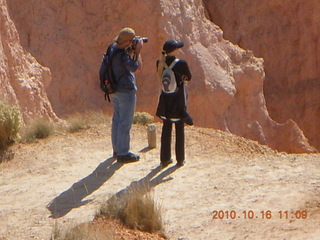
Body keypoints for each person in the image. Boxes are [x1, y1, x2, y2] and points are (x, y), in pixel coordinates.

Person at [109, 27, 143, 163]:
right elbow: (137, 67)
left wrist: (130, 49)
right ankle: (123, 153)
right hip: (126, 90)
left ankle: (117, 150)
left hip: (114, 89)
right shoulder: (123, 55)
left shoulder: (112, 48)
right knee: (125, 122)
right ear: (128, 41)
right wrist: (138, 51)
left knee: (117, 120)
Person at [156, 40, 193, 168]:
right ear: (174, 50)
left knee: (166, 129)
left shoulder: (159, 63)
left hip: (165, 101)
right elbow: (189, 76)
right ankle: (180, 159)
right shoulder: (181, 64)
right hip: (178, 100)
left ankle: (164, 159)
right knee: (179, 129)